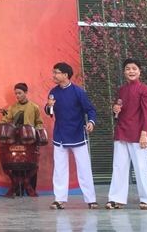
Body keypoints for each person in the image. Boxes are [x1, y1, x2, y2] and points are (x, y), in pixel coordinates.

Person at [45, 62, 97, 210]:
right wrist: (49, 107)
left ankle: (91, 199)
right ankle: (59, 199)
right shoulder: (53, 92)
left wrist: (91, 122)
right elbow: (49, 111)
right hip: (60, 135)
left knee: (84, 168)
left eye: (56, 72)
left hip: (77, 135)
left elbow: (90, 110)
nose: (54, 75)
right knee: (59, 169)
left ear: (65, 75)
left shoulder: (78, 92)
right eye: (53, 72)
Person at [106, 59, 147, 210]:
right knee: (119, 166)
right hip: (122, 130)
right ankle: (116, 199)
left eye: (134, 68)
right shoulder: (122, 90)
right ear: (124, 72)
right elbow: (118, 111)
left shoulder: (145, 90)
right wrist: (115, 111)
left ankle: (145, 199)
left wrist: (144, 133)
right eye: (128, 69)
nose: (131, 71)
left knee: (141, 167)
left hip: (138, 133)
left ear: (140, 71)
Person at [0, 82, 45, 195]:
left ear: (26, 92)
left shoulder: (34, 107)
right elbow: (6, 119)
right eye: (16, 93)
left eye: (19, 93)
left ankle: (31, 189)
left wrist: (35, 131)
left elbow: (39, 123)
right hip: (16, 139)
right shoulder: (12, 107)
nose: (17, 95)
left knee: (31, 164)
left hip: (30, 140)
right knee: (16, 163)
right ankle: (18, 189)